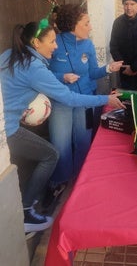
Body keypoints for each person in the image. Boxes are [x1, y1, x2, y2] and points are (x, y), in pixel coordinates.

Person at [0, 20, 124, 233]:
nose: (55, 46)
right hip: (6, 129)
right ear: (36, 43)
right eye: (51, 41)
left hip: (8, 122)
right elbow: (69, 98)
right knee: (51, 155)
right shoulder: (34, 67)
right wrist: (105, 100)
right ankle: (26, 211)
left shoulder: (10, 54)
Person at [47, 4, 123, 200]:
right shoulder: (54, 43)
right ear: (73, 25)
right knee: (60, 145)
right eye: (87, 23)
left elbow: (92, 73)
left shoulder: (88, 45)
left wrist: (108, 69)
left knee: (83, 142)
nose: (91, 27)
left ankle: (82, 180)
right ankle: (61, 181)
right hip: (61, 102)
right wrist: (61, 77)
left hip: (86, 101)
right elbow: (43, 74)